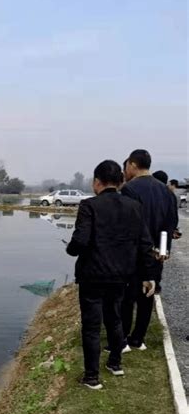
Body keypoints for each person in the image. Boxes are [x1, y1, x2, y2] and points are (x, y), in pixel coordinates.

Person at [67, 160, 156, 390]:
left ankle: (92, 377)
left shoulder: (89, 206)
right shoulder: (134, 207)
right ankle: (115, 364)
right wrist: (149, 275)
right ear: (120, 181)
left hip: (93, 277)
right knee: (115, 318)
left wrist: (71, 249)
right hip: (121, 276)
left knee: (92, 326)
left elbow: (80, 241)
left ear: (97, 182)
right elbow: (145, 244)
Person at [120, 150, 178, 350]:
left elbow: (130, 225)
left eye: (126, 165)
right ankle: (138, 339)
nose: (125, 170)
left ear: (134, 164)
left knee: (127, 297)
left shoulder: (129, 189)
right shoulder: (166, 191)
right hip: (156, 253)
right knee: (148, 294)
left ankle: (123, 337)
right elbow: (169, 225)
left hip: (134, 252)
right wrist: (163, 251)